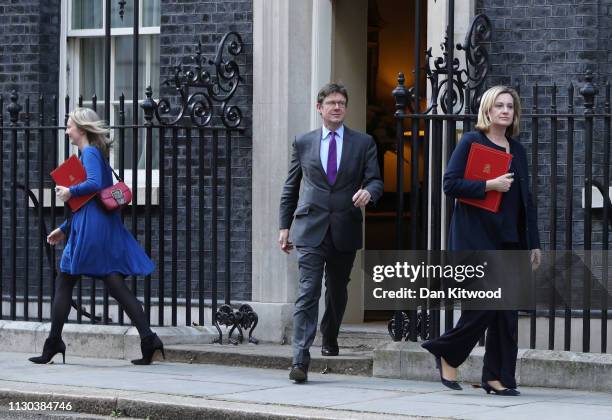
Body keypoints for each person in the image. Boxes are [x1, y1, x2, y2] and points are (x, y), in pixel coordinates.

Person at [421, 86, 541, 396]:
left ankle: (497, 378)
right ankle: (447, 350)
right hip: (477, 237)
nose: (504, 110)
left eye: (510, 106)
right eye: (499, 105)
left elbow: (527, 201)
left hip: (510, 240)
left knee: (507, 314)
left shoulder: (518, 150)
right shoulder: (471, 141)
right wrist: (490, 184)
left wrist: (534, 243)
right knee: (484, 306)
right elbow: (450, 184)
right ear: (487, 110)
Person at [29, 107, 163, 366]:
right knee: (113, 283)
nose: (66, 131)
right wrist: (64, 228)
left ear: (81, 128)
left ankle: (54, 343)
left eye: (69, 126)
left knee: (66, 280)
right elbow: (90, 200)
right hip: (95, 225)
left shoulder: (89, 153)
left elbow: (91, 185)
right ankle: (149, 340)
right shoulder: (92, 153)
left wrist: (69, 190)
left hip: (91, 229)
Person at [279, 83, 383, 383]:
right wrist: (284, 226)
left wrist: (369, 193)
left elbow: (375, 181)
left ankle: (330, 334)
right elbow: (291, 187)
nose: (337, 107)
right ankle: (299, 359)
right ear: (319, 108)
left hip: (345, 227)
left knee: (337, 290)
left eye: (341, 103)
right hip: (310, 227)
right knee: (307, 292)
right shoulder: (303, 142)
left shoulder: (363, 143)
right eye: (331, 103)